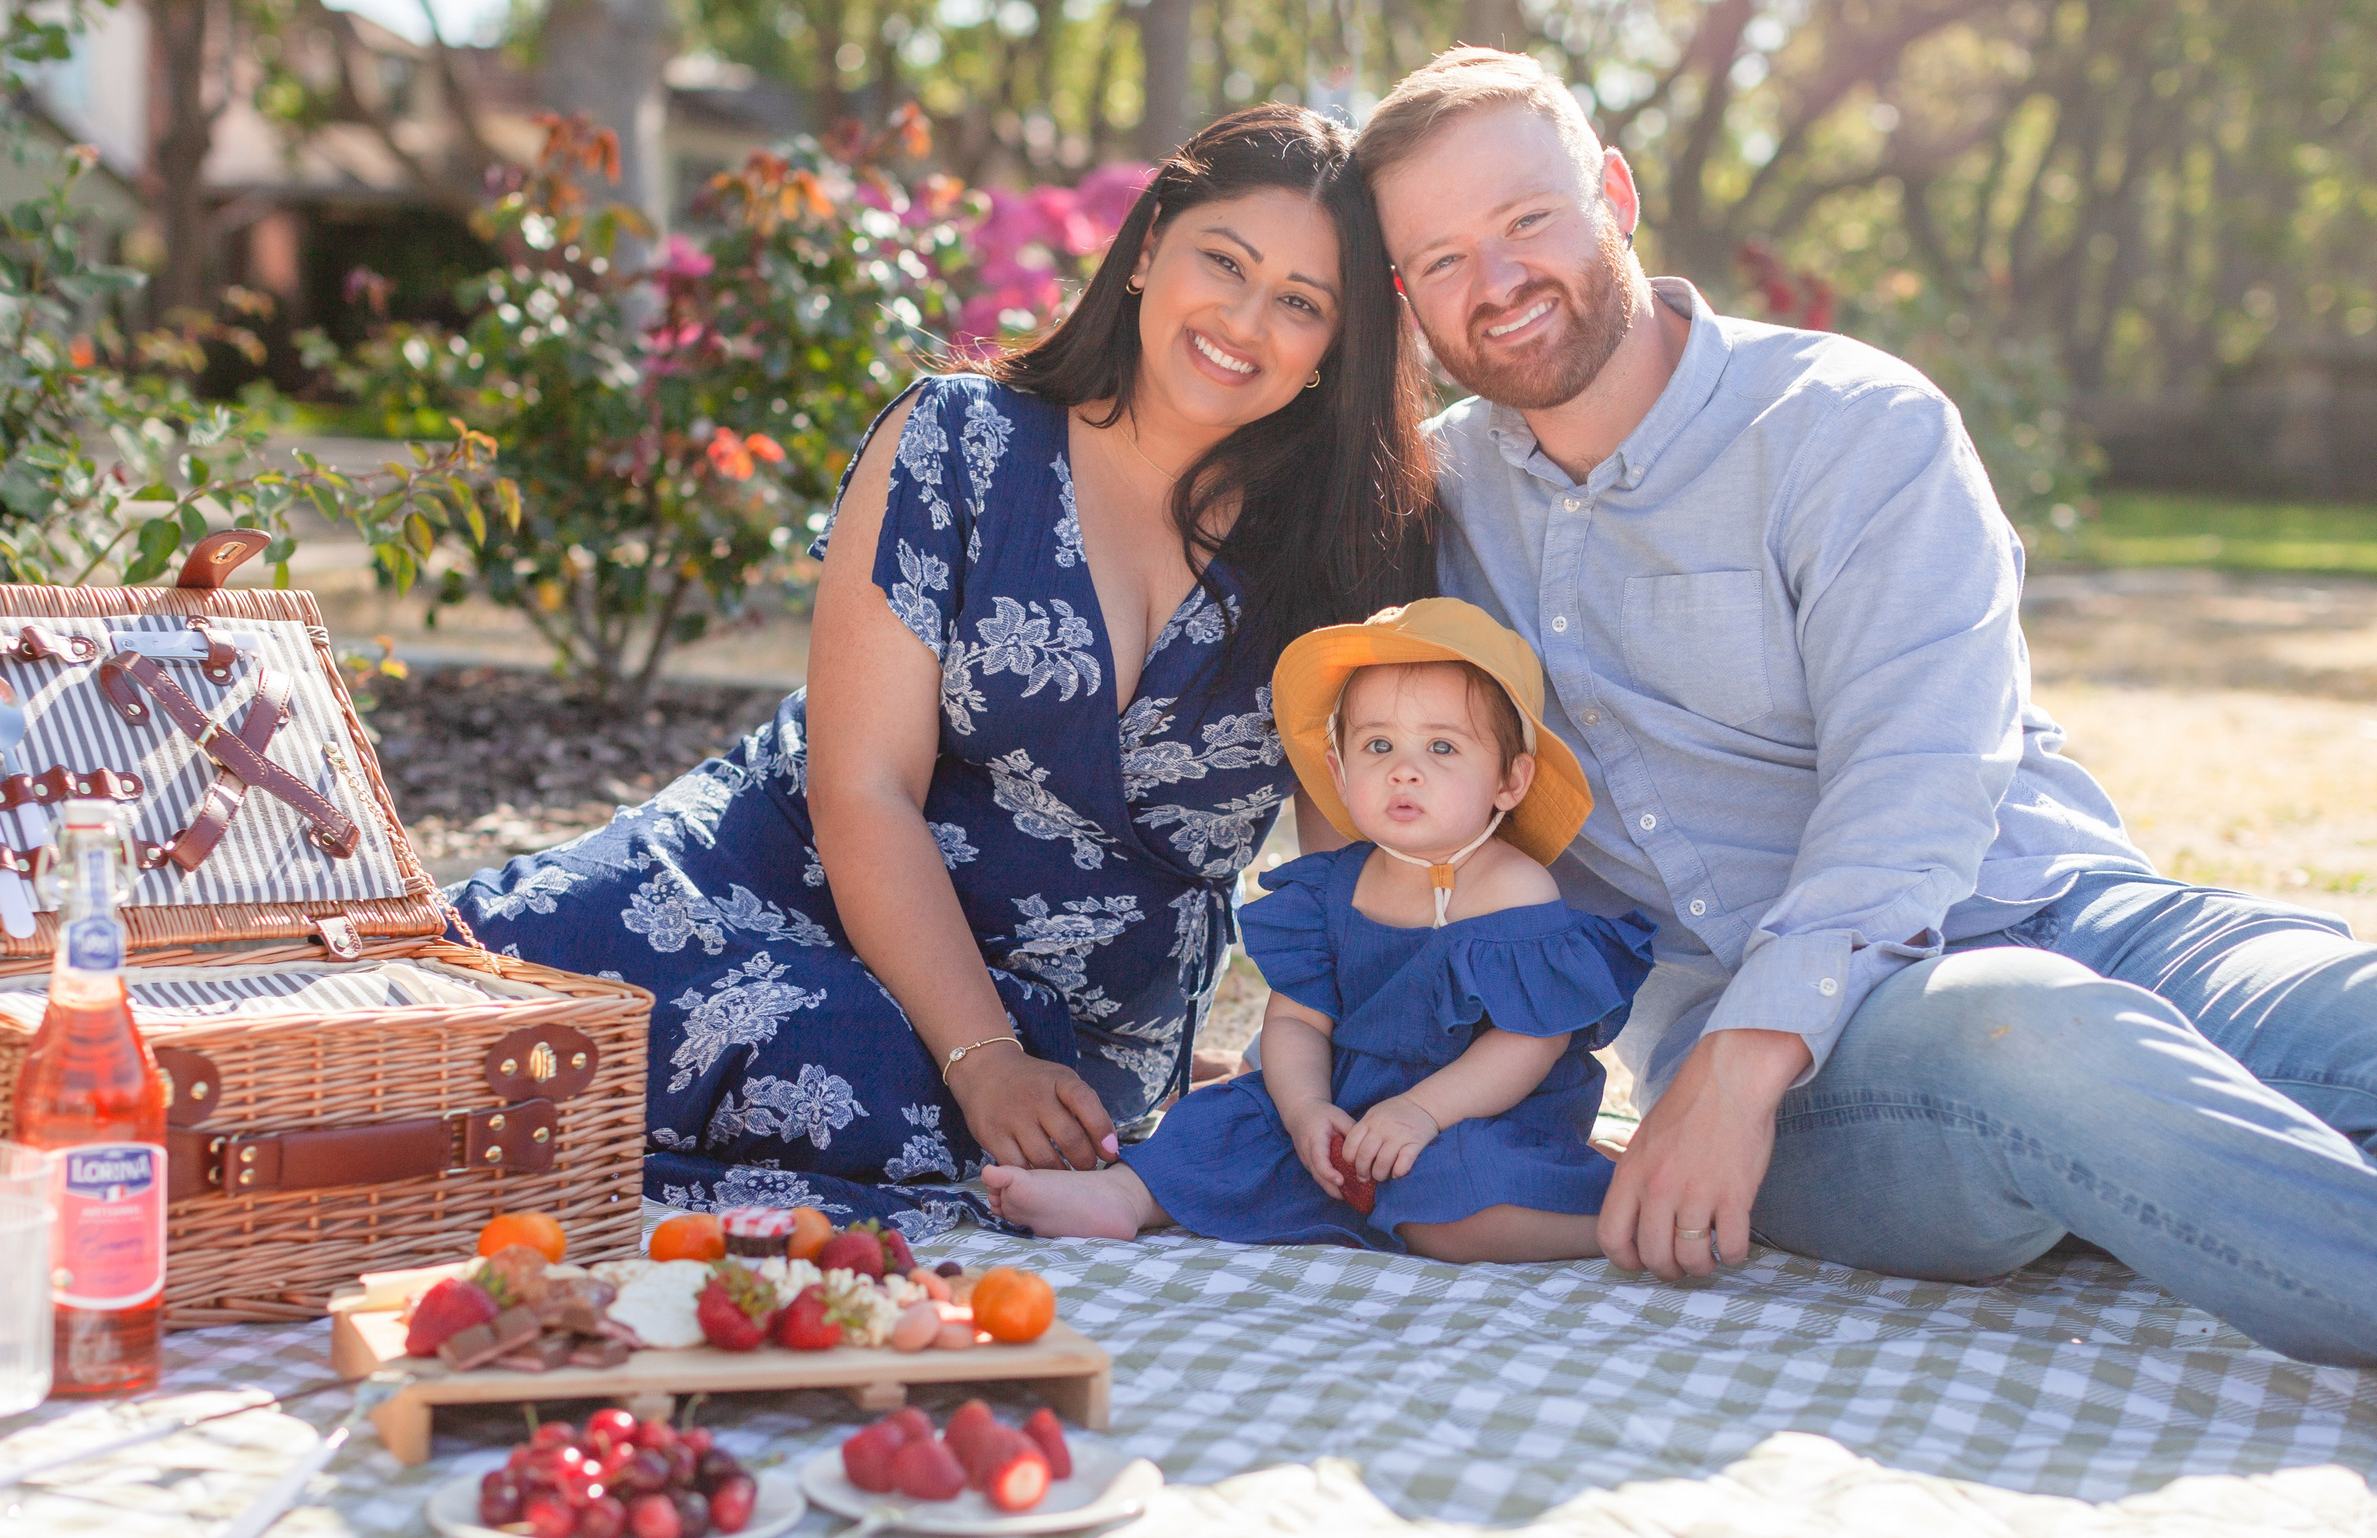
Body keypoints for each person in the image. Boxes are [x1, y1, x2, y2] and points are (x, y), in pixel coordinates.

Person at [1350, 47, 2377, 1363]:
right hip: (1846, 1065)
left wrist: (1742, 1055)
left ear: (1616, 192)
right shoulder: (1432, 508)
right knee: (2031, 1034)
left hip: (2077, 913)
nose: (1496, 281)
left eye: (1526, 219)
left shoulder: (1850, 426)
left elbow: (1919, 770)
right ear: (1405, 297)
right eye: (1440, 259)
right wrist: (1737, 1057)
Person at [443, 105, 1434, 1236]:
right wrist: (982, 1056)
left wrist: (1360, 1085)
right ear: (1149, 245)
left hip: (1073, 1028)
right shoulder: (958, 439)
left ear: (1335, 347)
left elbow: (1354, 867)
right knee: (477, 1003)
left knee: (846, 1080)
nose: (1245, 321)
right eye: (1226, 261)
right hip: (765, 878)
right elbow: (861, 786)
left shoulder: (1342, 552)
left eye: (1301, 303)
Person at [988, 599, 1654, 1258]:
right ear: (1339, 770)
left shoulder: (1513, 889)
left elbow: (1530, 1043)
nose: (1404, 768)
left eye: (1443, 746)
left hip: (1478, 1112)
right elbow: (1297, 1023)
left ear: (1510, 780)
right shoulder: (1327, 889)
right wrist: (1306, 1110)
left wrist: (1422, 1112)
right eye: (1378, 744)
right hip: (1344, 1104)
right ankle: (1124, 1196)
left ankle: (1619, 1225)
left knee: (1459, 1192)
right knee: (1219, 1120)